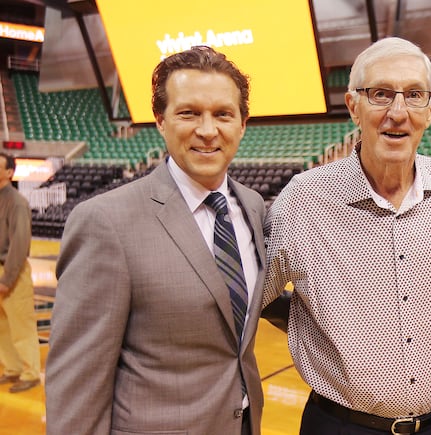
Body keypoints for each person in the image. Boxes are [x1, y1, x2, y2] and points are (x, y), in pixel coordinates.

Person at [263, 36, 431, 435]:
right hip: (341, 426)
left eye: (414, 95)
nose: (397, 113)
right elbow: (249, 300)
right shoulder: (303, 199)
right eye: (381, 94)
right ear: (354, 106)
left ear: (430, 110)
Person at [46, 46, 266, 435]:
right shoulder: (105, 221)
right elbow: (77, 383)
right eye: (189, 113)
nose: (207, 130)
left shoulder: (252, 206)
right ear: (161, 122)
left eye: (223, 114)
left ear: (242, 124)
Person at [0, 152, 41, 394]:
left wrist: (7, 278)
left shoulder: (16, 202)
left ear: (9, 172)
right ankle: (12, 368)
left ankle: (30, 373)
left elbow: (20, 243)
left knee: (21, 325)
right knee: (2, 325)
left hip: (12, 269)